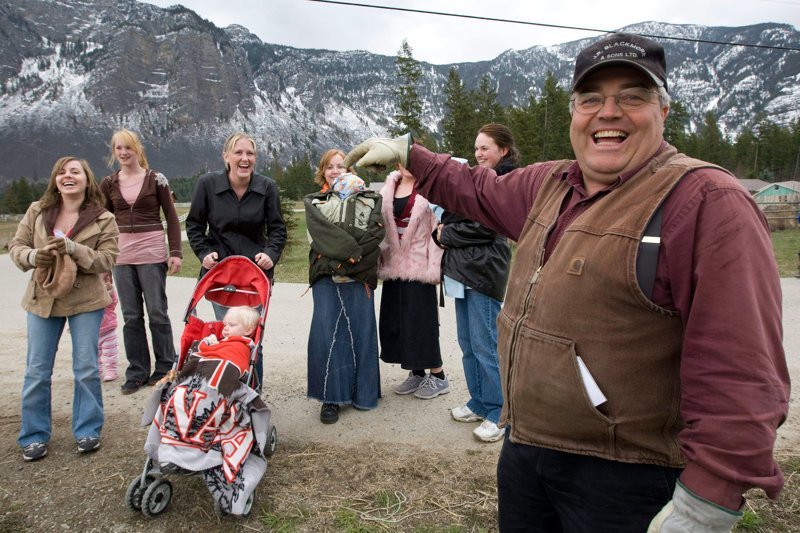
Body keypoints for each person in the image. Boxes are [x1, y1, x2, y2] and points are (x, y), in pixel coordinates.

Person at [344, 33, 790, 532]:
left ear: (663, 111)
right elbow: (477, 189)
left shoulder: (707, 201)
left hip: (629, 477)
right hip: (527, 451)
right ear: (575, 111)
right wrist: (413, 156)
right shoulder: (550, 183)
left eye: (632, 97)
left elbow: (742, 368)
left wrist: (709, 499)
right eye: (591, 99)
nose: (608, 113)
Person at [10, 157, 119, 461]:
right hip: (42, 298)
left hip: (86, 299)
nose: (67, 176)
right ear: (55, 179)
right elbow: (16, 247)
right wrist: (34, 257)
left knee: (85, 368)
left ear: (87, 180)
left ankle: (87, 430)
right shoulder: (37, 210)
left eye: (75, 172)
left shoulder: (103, 218)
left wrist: (76, 250)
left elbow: (108, 259)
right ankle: (33, 435)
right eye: (62, 171)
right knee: (37, 370)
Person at [186, 132, 287, 389]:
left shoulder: (266, 187)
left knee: (253, 339)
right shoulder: (207, 184)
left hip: (255, 278)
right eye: (239, 153)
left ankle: (253, 393)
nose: (245, 158)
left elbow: (277, 229)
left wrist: (271, 254)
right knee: (228, 335)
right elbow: (195, 225)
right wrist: (203, 252)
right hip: (221, 277)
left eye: (250, 153)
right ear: (226, 157)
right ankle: (225, 392)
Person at [144, 305, 268, 515]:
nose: (225, 328)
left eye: (231, 325)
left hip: (217, 384)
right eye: (224, 324)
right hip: (197, 382)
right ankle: (175, 446)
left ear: (248, 330)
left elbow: (228, 363)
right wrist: (204, 345)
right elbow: (197, 358)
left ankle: (188, 445)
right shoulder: (221, 342)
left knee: (199, 404)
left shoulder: (242, 346)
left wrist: (205, 346)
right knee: (175, 397)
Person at [433, 123, 515, 443]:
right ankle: (479, 401)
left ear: (503, 151)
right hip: (463, 271)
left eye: (486, 148)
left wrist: (445, 235)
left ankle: (498, 412)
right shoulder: (476, 180)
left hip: (483, 272)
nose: (479, 154)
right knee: (468, 343)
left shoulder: (504, 180)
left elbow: (487, 226)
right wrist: (442, 230)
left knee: (487, 345)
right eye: (477, 148)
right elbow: (452, 215)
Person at [304, 149, 385, 424]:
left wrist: (349, 261)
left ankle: (365, 394)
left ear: (351, 170)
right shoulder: (315, 202)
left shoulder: (371, 199)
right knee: (328, 334)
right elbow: (321, 238)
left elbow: (374, 235)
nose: (336, 171)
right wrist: (349, 255)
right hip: (326, 276)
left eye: (342, 166)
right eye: (330, 167)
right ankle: (331, 398)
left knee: (361, 334)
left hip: (359, 275)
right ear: (323, 172)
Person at [100, 129, 182, 395]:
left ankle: (165, 366)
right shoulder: (108, 184)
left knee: (157, 312)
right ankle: (136, 371)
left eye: (128, 148)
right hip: (121, 257)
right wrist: (104, 260)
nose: (124, 153)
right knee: (131, 315)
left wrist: (176, 252)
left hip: (152, 253)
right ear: (114, 152)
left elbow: (171, 217)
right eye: (118, 149)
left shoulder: (155, 180)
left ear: (138, 149)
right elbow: (103, 224)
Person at [377, 167, 446, 399]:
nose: (405, 164)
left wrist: (434, 266)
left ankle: (438, 375)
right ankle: (416, 372)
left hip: (420, 264)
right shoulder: (389, 188)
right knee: (397, 321)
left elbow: (438, 228)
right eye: (401, 159)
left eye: (410, 158)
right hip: (394, 264)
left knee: (421, 321)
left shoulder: (430, 187)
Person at [97, 271, 119, 382]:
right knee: (95, 354)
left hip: (108, 330)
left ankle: (111, 370)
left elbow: (114, 302)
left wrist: (111, 291)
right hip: (94, 332)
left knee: (110, 353)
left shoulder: (108, 295)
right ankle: (98, 371)